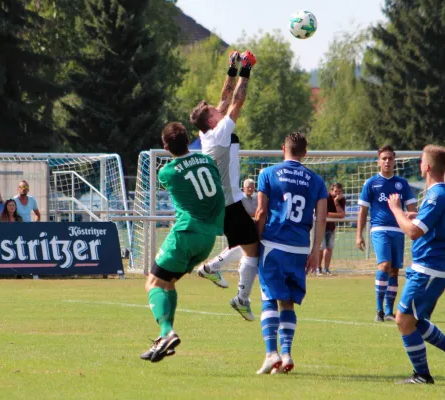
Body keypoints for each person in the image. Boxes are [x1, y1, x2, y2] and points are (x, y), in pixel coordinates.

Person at [140, 122, 225, 363]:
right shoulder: (208, 161)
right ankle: (164, 338)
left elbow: (180, 178)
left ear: (166, 147)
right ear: (188, 141)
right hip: (208, 239)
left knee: (153, 283)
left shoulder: (166, 172)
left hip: (186, 232)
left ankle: (167, 332)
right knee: (169, 284)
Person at [387, 144, 445, 384]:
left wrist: (396, 210)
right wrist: (416, 216)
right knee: (415, 320)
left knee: (403, 320)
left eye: (422, 161)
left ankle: (422, 375)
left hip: (428, 269)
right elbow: (441, 226)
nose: (420, 164)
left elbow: (413, 232)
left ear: (427, 167)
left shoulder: (438, 195)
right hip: (430, 268)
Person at [190, 50, 260, 321]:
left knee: (247, 245)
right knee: (253, 249)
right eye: (213, 111)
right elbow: (238, 100)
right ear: (211, 119)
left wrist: (232, 67)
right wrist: (247, 69)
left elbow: (225, 97)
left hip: (225, 204)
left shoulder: (206, 131)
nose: (219, 109)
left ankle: (212, 269)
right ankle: (242, 298)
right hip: (230, 206)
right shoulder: (219, 134)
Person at [254, 132, 327, 374]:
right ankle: (286, 355)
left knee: (268, 297)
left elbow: (262, 212)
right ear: (305, 153)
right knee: (287, 301)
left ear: (282, 149)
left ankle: (271, 353)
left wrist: (255, 240)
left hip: (274, 244)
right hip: (299, 248)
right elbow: (322, 218)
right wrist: (316, 250)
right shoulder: (316, 180)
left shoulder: (268, 173)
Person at [356, 145, 418, 322]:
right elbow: (363, 211)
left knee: (394, 270)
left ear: (394, 161)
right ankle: (378, 310)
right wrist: (359, 234)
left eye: (390, 158)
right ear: (378, 162)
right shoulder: (371, 183)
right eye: (384, 158)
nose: (387, 161)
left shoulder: (402, 184)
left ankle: (389, 312)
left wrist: (415, 224)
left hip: (398, 230)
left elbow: (412, 208)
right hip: (379, 229)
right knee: (384, 265)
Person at [318, 183, 346, 275]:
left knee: (329, 248)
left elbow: (342, 215)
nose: (337, 193)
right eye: (335, 191)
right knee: (320, 248)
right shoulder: (324, 197)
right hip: (320, 226)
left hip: (331, 227)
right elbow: (323, 213)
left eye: (339, 191)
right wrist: (336, 215)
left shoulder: (341, 199)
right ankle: (318, 268)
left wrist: (336, 202)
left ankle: (326, 269)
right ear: (331, 190)